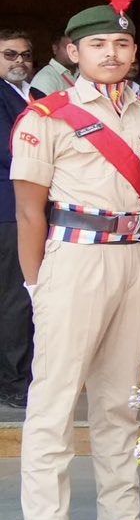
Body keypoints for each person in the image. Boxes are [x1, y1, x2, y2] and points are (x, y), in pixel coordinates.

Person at [12, 0, 140, 520]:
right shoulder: (46, 117)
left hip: (131, 258)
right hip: (72, 258)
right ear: (73, 52)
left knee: (118, 399)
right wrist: (33, 285)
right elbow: (28, 209)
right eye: (99, 45)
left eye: (123, 45)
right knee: (53, 404)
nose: (113, 54)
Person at [0, 28, 42, 408]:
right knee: (15, 298)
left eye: (25, 55)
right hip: (8, 211)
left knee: (32, 296)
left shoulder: (39, 97)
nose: (19, 62)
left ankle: (27, 373)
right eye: (10, 54)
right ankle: (11, 381)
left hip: (40, 209)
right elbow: (8, 151)